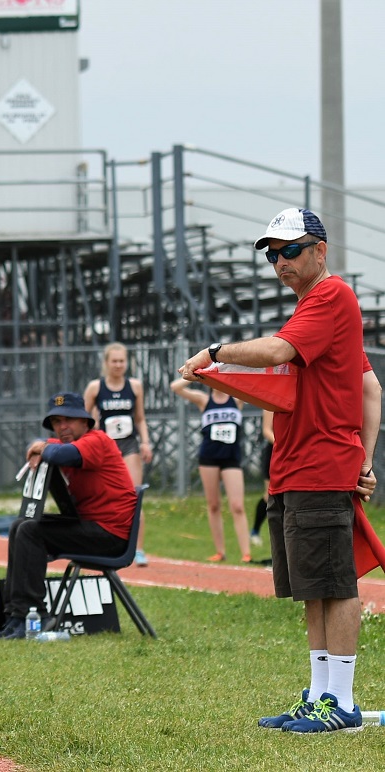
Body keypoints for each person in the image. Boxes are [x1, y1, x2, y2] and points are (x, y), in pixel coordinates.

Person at [179, 207, 380, 734]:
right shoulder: (312, 306)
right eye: (272, 255)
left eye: (290, 250)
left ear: (320, 250)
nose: (280, 262)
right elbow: (370, 386)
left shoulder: (330, 297)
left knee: (333, 584)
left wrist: (215, 353)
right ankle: (319, 695)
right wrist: (365, 457)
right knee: (313, 586)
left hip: (318, 465)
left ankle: (340, 703)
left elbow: (279, 351)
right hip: (295, 466)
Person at [0, 392, 137, 639]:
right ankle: (17, 615)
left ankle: (35, 615)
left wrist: (43, 447)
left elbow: (61, 454)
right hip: (92, 526)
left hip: (111, 535)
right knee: (21, 524)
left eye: (69, 420)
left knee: (30, 531)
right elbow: (45, 444)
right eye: (57, 421)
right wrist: (41, 445)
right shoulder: (67, 443)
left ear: (84, 422)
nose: (62, 426)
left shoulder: (97, 440)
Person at [84, 342, 153, 566]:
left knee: (134, 495)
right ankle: (104, 544)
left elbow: (140, 418)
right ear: (106, 363)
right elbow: (83, 420)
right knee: (103, 496)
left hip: (129, 445)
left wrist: (146, 442)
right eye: (114, 361)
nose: (118, 365)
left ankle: (139, 549)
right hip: (105, 448)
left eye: (121, 361)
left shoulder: (135, 386)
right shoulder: (95, 388)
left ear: (126, 363)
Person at [169, 379, 251, 563]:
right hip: (209, 457)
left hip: (231, 457)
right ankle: (220, 551)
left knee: (237, 505)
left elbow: (253, 385)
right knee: (213, 505)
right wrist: (198, 374)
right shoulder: (204, 400)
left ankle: (246, 553)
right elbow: (175, 387)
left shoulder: (236, 398)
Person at [251, 409, 274, 546]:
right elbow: (267, 431)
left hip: (296, 452)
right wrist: (285, 445)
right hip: (277, 451)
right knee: (269, 496)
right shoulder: (271, 404)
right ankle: (255, 531)